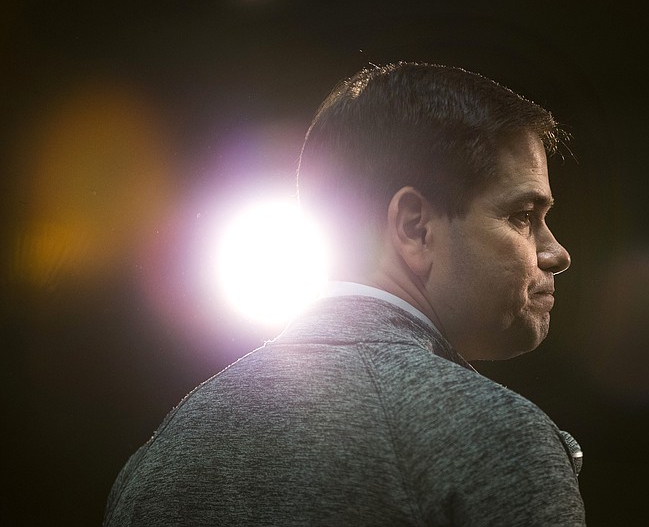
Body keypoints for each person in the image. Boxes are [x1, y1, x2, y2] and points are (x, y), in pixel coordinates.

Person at [104, 62, 586, 526]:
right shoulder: (496, 439)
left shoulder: (159, 457)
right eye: (523, 216)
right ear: (415, 227)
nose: (556, 252)